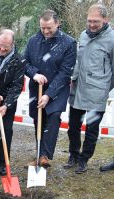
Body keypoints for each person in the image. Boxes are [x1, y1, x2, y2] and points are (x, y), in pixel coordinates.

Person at [64, 4, 114, 174]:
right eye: (89, 20)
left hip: (97, 92)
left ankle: (84, 160)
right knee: (73, 127)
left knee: (91, 129)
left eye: (96, 21)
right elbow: (79, 60)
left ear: (105, 20)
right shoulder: (83, 35)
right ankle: (73, 155)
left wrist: (105, 87)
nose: (91, 24)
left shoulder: (112, 39)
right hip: (78, 89)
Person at [24, 9, 77, 168]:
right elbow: (24, 63)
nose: (46, 31)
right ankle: (40, 155)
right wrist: (34, 74)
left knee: (53, 117)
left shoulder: (68, 43)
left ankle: (45, 155)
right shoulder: (33, 41)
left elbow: (65, 72)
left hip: (58, 88)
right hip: (37, 87)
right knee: (38, 119)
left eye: (49, 28)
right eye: (42, 28)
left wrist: (48, 94)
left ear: (57, 24)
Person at [0, 29, 26, 176]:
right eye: (0, 45)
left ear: (12, 44)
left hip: (8, 101)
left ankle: (3, 162)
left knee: (6, 131)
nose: (2, 49)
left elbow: (17, 85)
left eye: (6, 47)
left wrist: (6, 104)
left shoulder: (19, 60)